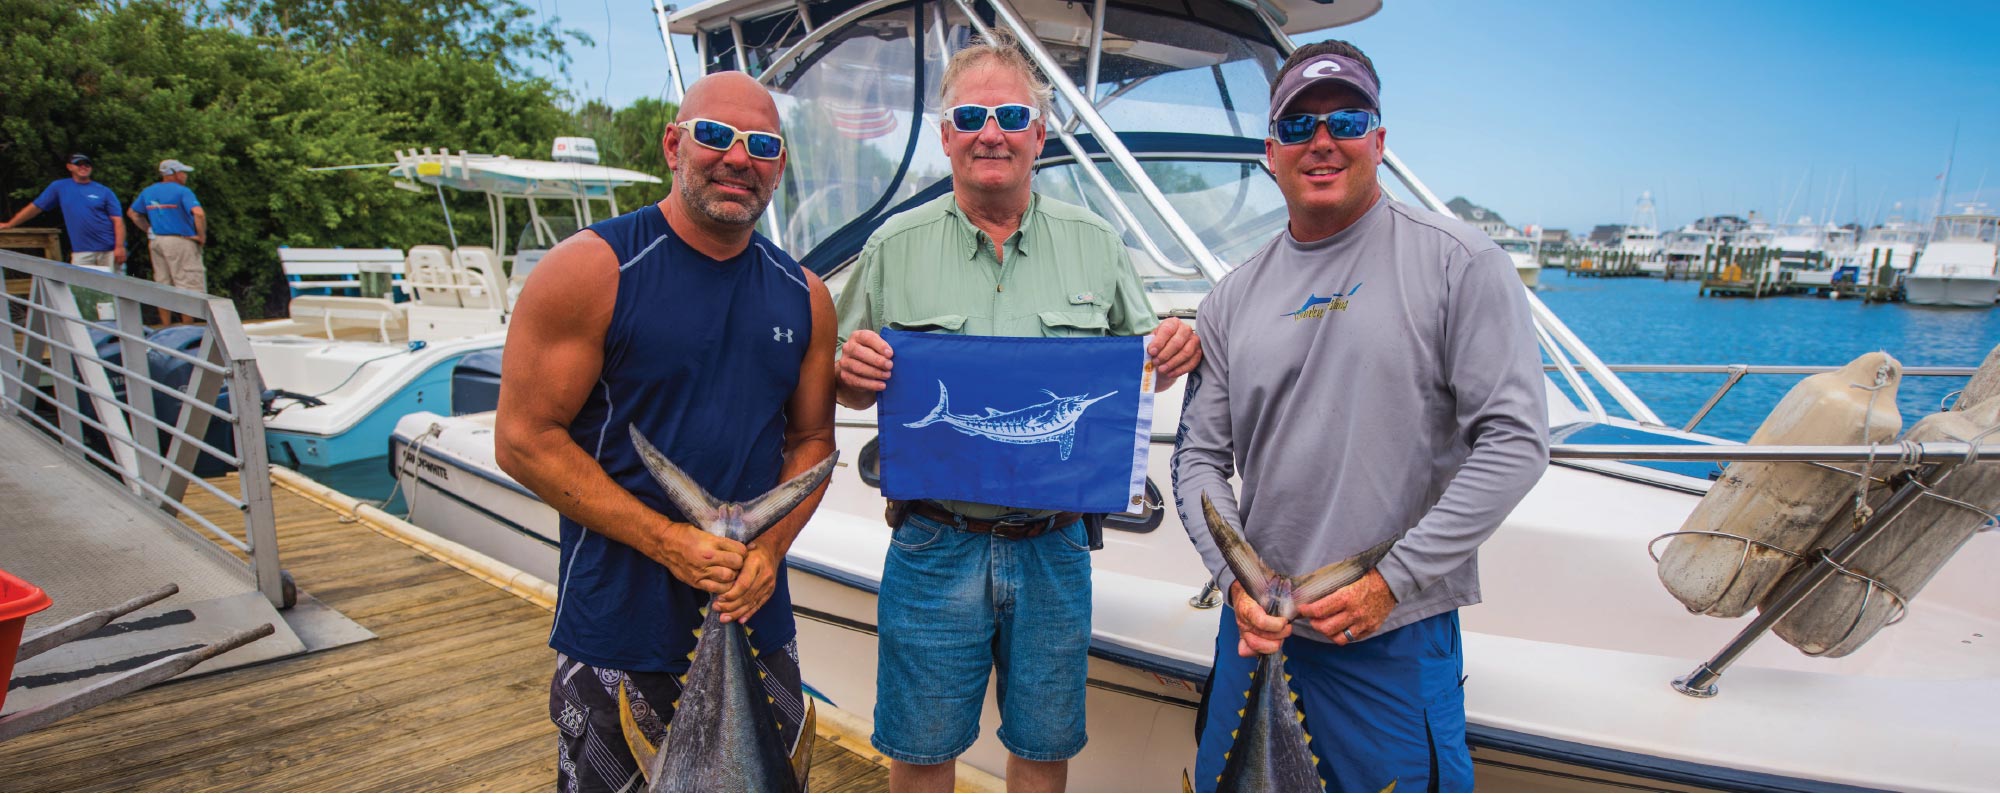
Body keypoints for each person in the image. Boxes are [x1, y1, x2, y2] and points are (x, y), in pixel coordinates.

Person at [1169, 40, 1549, 792]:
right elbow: (1197, 459)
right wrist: (1235, 581)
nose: (1322, 140)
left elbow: (1514, 443)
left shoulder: (1460, 263)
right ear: (1269, 152)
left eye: (1345, 119)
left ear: (1378, 141)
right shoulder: (1232, 298)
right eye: (1298, 125)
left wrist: (1393, 579)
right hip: (1255, 634)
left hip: (1390, 637)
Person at [833, 31, 1202, 793]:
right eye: (970, 117)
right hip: (935, 542)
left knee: (1044, 745)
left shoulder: (1097, 244)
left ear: (1038, 133)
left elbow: (1136, 379)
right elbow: (839, 382)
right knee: (921, 748)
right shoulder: (893, 245)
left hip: (1055, 549)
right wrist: (848, 374)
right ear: (945, 137)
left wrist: (1169, 351)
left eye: (1008, 115)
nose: (989, 132)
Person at [492, 72, 837, 793]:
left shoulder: (804, 295)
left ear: (779, 166)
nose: (739, 158)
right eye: (715, 136)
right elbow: (524, 439)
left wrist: (766, 548)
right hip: (618, 624)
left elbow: (812, 444)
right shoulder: (592, 268)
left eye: (764, 145)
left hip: (753, 616)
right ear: (674, 144)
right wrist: (669, 541)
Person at [1, 154, 127, 316]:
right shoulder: (60, 187)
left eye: (87, 164)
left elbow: (118, 221)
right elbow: (36, 207)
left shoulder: (104, 191)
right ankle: (94, 330)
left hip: (109, 249)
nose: (83, 167)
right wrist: (11, 224)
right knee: (85, 292)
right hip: (82, 250)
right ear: (70, 167)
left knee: (114, 290)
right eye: (79, 164)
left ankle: (118, 330)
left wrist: (119, 246)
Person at [129, 159, 208, 324]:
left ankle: (166, 326)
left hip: (157, 241)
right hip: (180, 240)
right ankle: (188, 328)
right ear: (175, 173)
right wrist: (201, 236)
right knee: (185, 284)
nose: (185, 176)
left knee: (163, 283)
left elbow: (133, 213)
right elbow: (198, 214)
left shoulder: (148, 191)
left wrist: (149, 230)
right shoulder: (182, 191)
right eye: (183, 172)